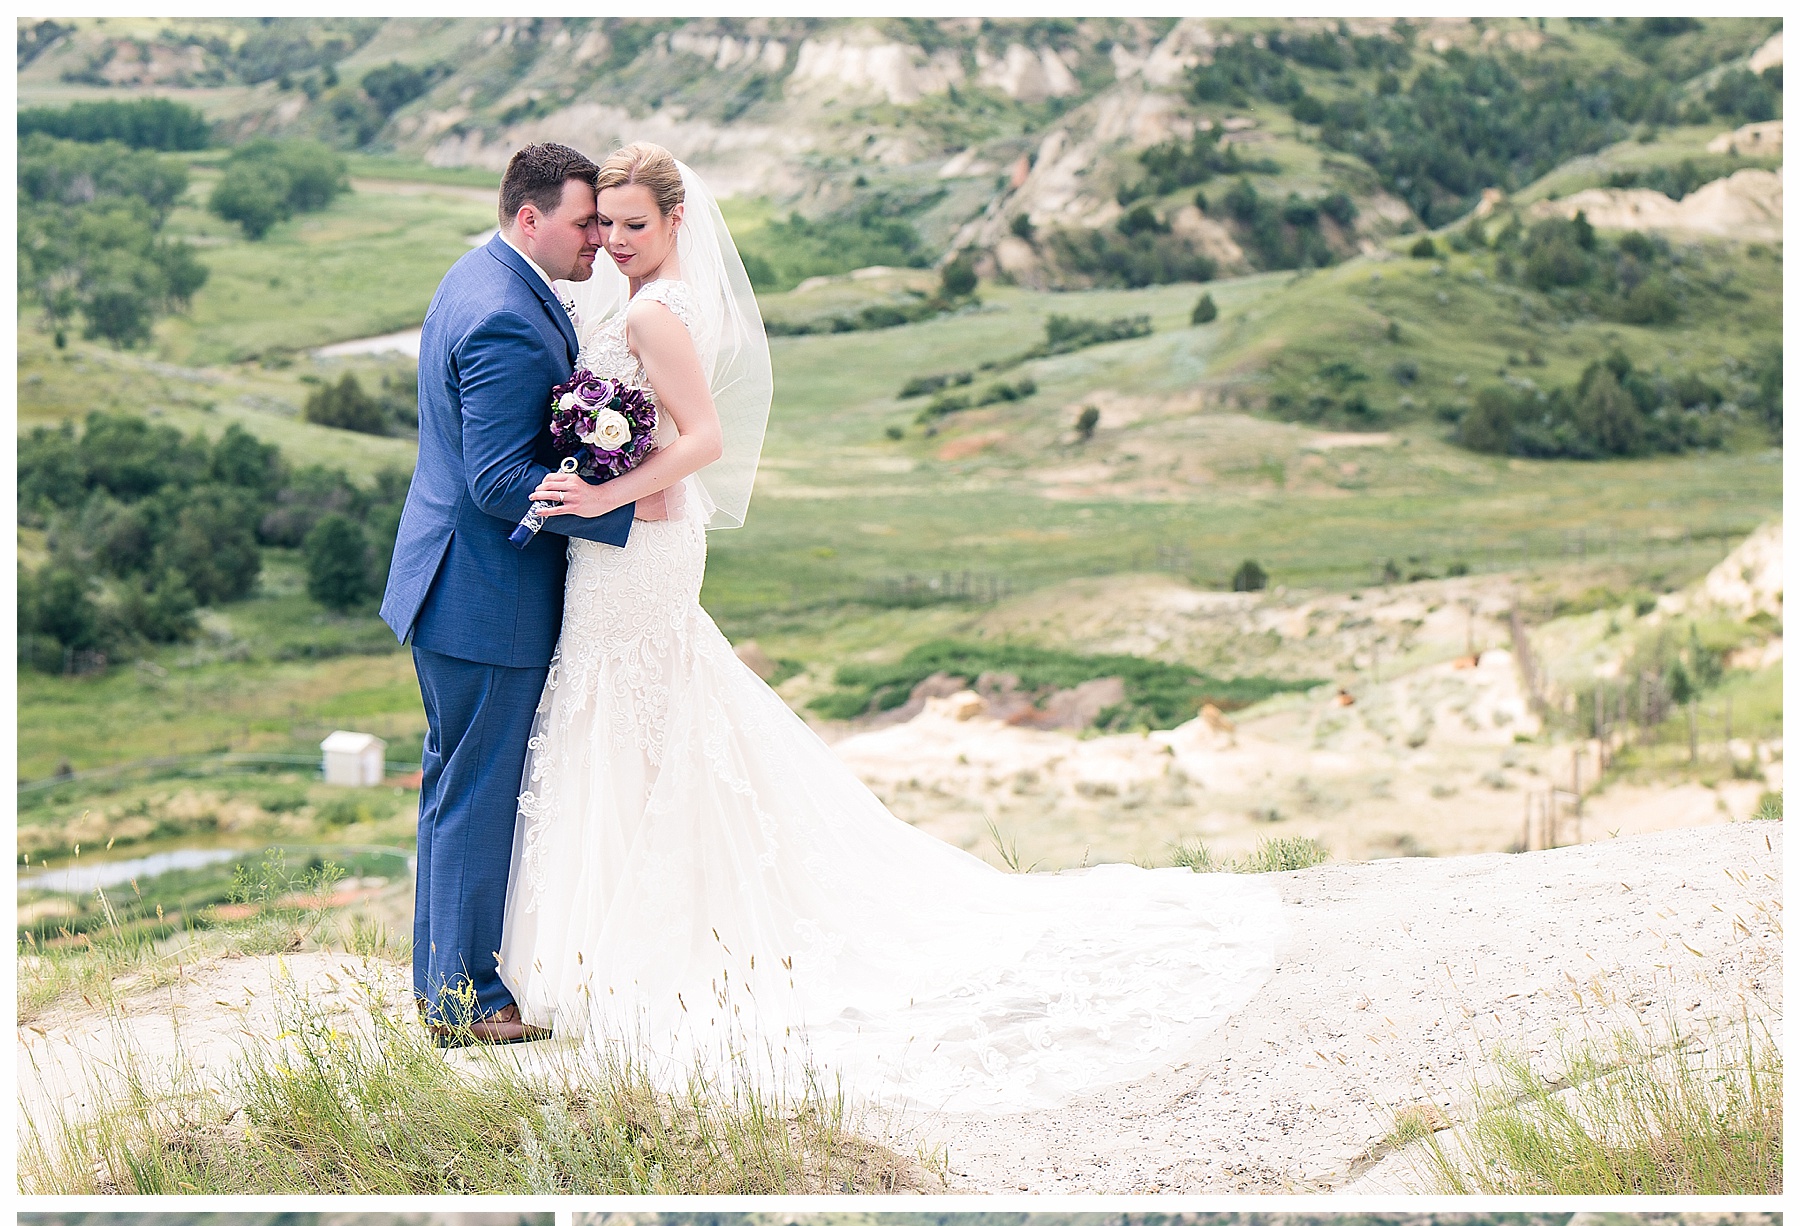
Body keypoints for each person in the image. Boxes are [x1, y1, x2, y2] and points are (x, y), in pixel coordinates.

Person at [496, 141, 1279, 1117]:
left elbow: (703, 440)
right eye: (604, 225)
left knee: (645, 721)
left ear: (676, 222)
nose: (613, 242)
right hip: (624, 544)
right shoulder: (641, 299)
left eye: (634, 225)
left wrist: (606, 485)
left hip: (642, 551)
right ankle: (623, 932)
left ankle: (660, 941)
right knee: (639, 720)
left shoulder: (656, 310)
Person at [381, 142, 638, 1043]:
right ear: (530, 218)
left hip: (450, 584)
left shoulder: (478, 273)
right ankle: (466, 1003)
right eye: (584, 222)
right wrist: (618, 511)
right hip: (485, 599)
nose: (599, 240)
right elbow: (495, 478)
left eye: (606, 223)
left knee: (456, 788)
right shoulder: (501, 314)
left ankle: (440, 986)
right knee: (479, 794)